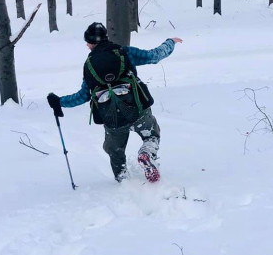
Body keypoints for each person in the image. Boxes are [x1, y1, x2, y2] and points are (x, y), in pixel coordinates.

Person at [47, 22, 182, 183]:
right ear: (105, 37)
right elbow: (153, 56)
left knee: (115, 151)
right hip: (137, 109)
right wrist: (170, 42)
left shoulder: (89, 66)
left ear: (90, 43)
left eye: (87, 42)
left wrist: (59, 102)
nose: (86, 45)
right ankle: (147, 153)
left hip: (112, 119)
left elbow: (82, 96)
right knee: (152, 135)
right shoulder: (124, 52)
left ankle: (123, 181)